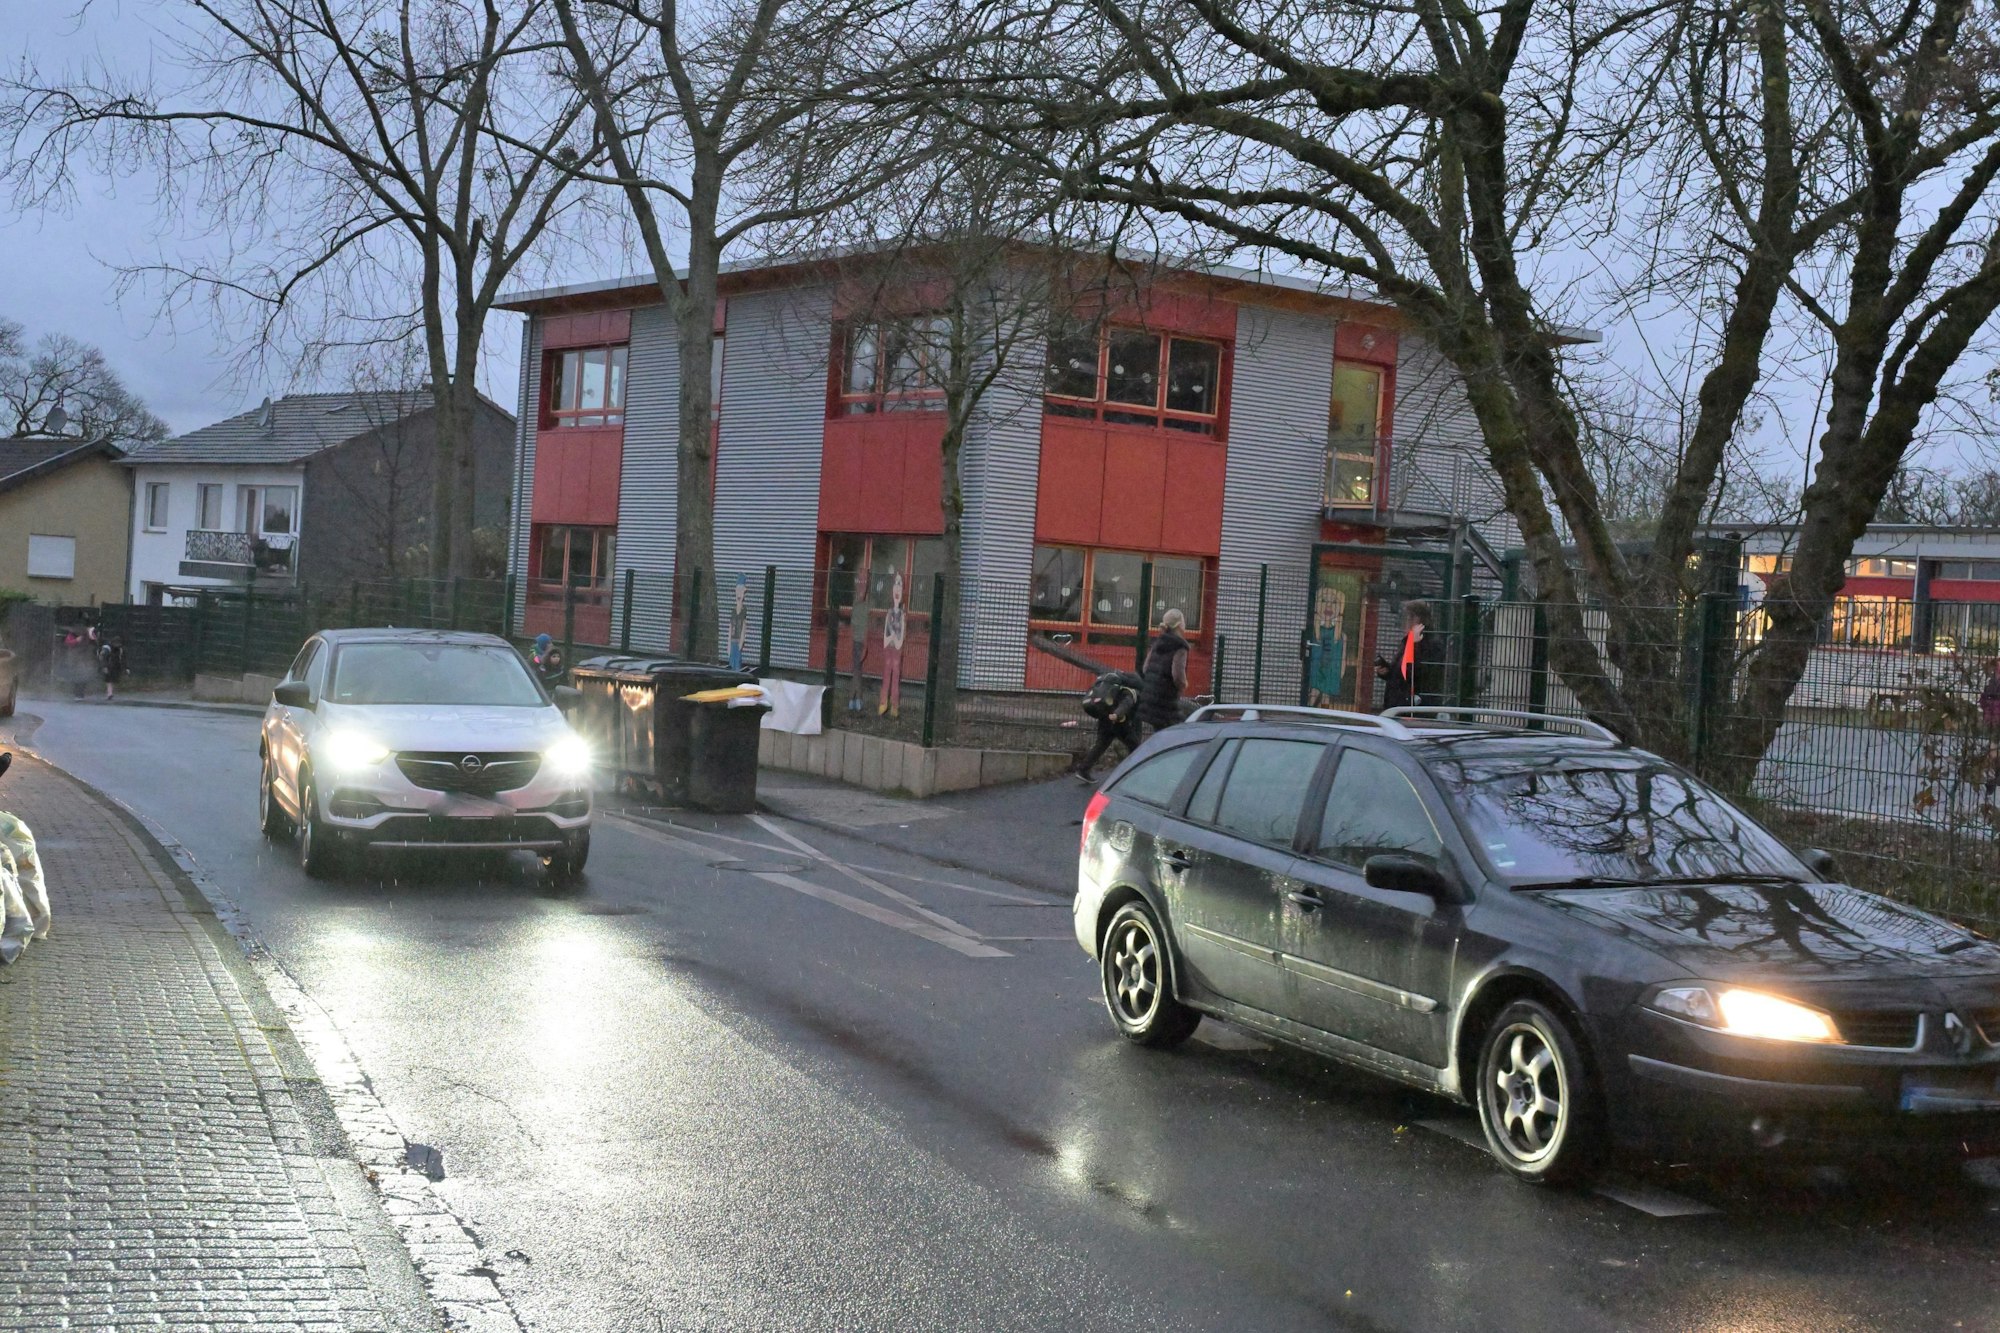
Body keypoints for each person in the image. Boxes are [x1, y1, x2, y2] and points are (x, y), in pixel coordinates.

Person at [1073, 669, 1143, 783]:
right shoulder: (1131, 690)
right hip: (1119, 722)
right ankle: (1134, 773)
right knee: (1135, 746)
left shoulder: (1114, 688)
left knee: (1100, 745)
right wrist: (1116, 714)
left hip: (1104, 719)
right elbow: (1127, 703)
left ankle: (1083, 770)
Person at [1381, 600, 1446, 710]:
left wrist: (1414, 645)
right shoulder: (1407, 641)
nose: (1407, 622)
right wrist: (1387, 671)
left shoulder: (1431, 644)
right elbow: (1401, 670)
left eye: (1411, 617)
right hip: (1397, 701)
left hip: (1414, 704)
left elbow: (1413, 672)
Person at [1139, 608, 1190, 733]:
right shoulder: (1180, 646)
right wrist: (1184, 684)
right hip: (1167, 700)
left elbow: (1145, 668)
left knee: (1160, 733)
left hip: (1151, 697)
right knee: (1178, 731)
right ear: (1179, 624)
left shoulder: (1158, 642)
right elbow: (1177, 675)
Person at [878, 572, 907, 718]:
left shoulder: (902, 614)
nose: (897, 587)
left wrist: (896, 640)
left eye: (900, 584)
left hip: (897, 648)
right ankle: (883, 702)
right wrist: (891, 639)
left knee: (896, 675)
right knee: (886, 674)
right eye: (896, 583)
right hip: (889, 648)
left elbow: (902, 636)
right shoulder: (889, 613)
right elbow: (885, 635)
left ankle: (895, 705)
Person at [98, 634, 126, 701]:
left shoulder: (120, 649)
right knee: (109, 680)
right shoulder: (107, 648)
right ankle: (110, 693)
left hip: (116, 666)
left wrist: (126, 667)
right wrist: (104, 666)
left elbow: (123, 659)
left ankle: (111, 692)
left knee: (112, 680)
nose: (118, 645)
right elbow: (103, 658)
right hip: (109, 666)